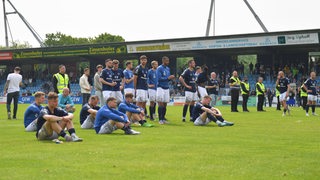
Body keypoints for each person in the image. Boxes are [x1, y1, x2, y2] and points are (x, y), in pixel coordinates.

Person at [157, 56, 175, 124]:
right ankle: (160, 119)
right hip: (160, 87)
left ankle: (163, 118)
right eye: (166, 61)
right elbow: (159, 78)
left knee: (165, 104)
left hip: (166, 87)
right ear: (163, 61)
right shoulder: (159, 68)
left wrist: (172, 80)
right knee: (160, 103)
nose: (168, 62)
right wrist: (168, 78)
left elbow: (168, 78)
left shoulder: (168, 68)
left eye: (168, 60)